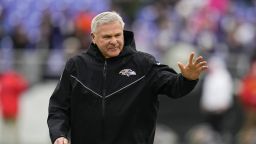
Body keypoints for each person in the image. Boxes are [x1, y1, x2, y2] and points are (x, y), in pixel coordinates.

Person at [47, 11, 208, 144]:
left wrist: (187, 79)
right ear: (94, 38)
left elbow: (174, 87)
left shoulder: (144, 63)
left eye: (118, 35)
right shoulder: (76, 66)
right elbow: (58, 108)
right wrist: (58, 135)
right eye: (107, 37)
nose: (114, 41)